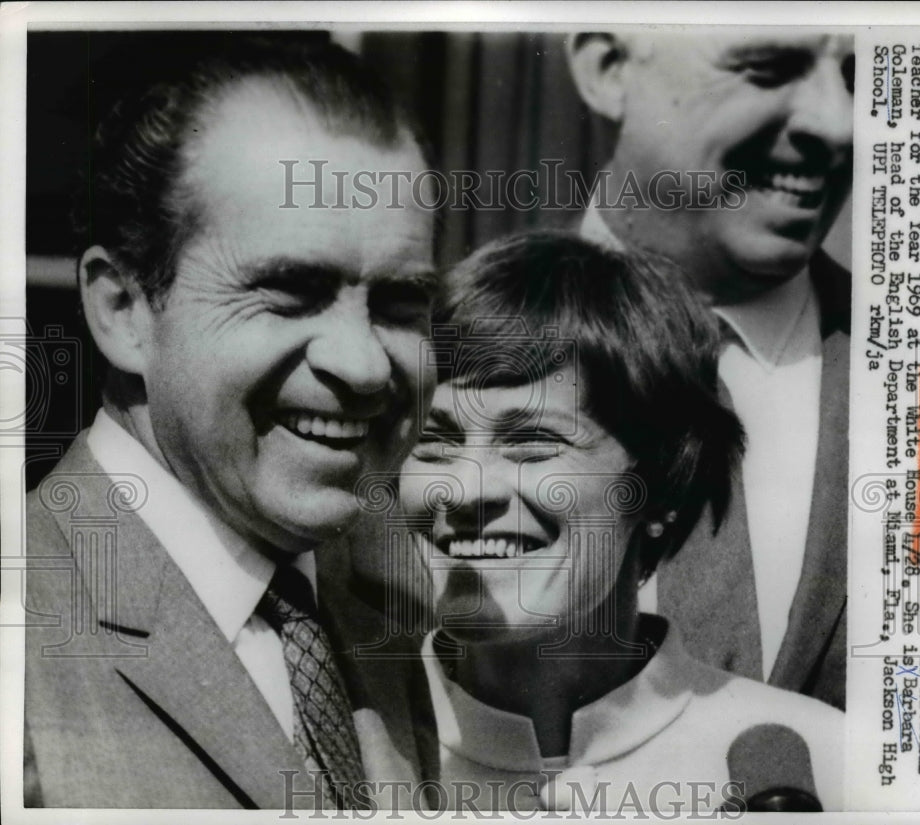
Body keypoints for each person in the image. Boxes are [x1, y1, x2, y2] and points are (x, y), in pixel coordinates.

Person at [24, 35, 439, 810]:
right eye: (290, 291)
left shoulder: (394, 623)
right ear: (123, 310)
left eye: (399, 303)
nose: (365, 365)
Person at [398, 232, 844, 814]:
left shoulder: (826, 762)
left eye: (532, 444)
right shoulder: (346, 740)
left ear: (660, 491)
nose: (465, 488)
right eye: (434, 444)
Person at [566, 29, 854, 708]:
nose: (838, 124)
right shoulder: (427, 364)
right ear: (608, 70)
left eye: (858, 77)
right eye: (767, 67)